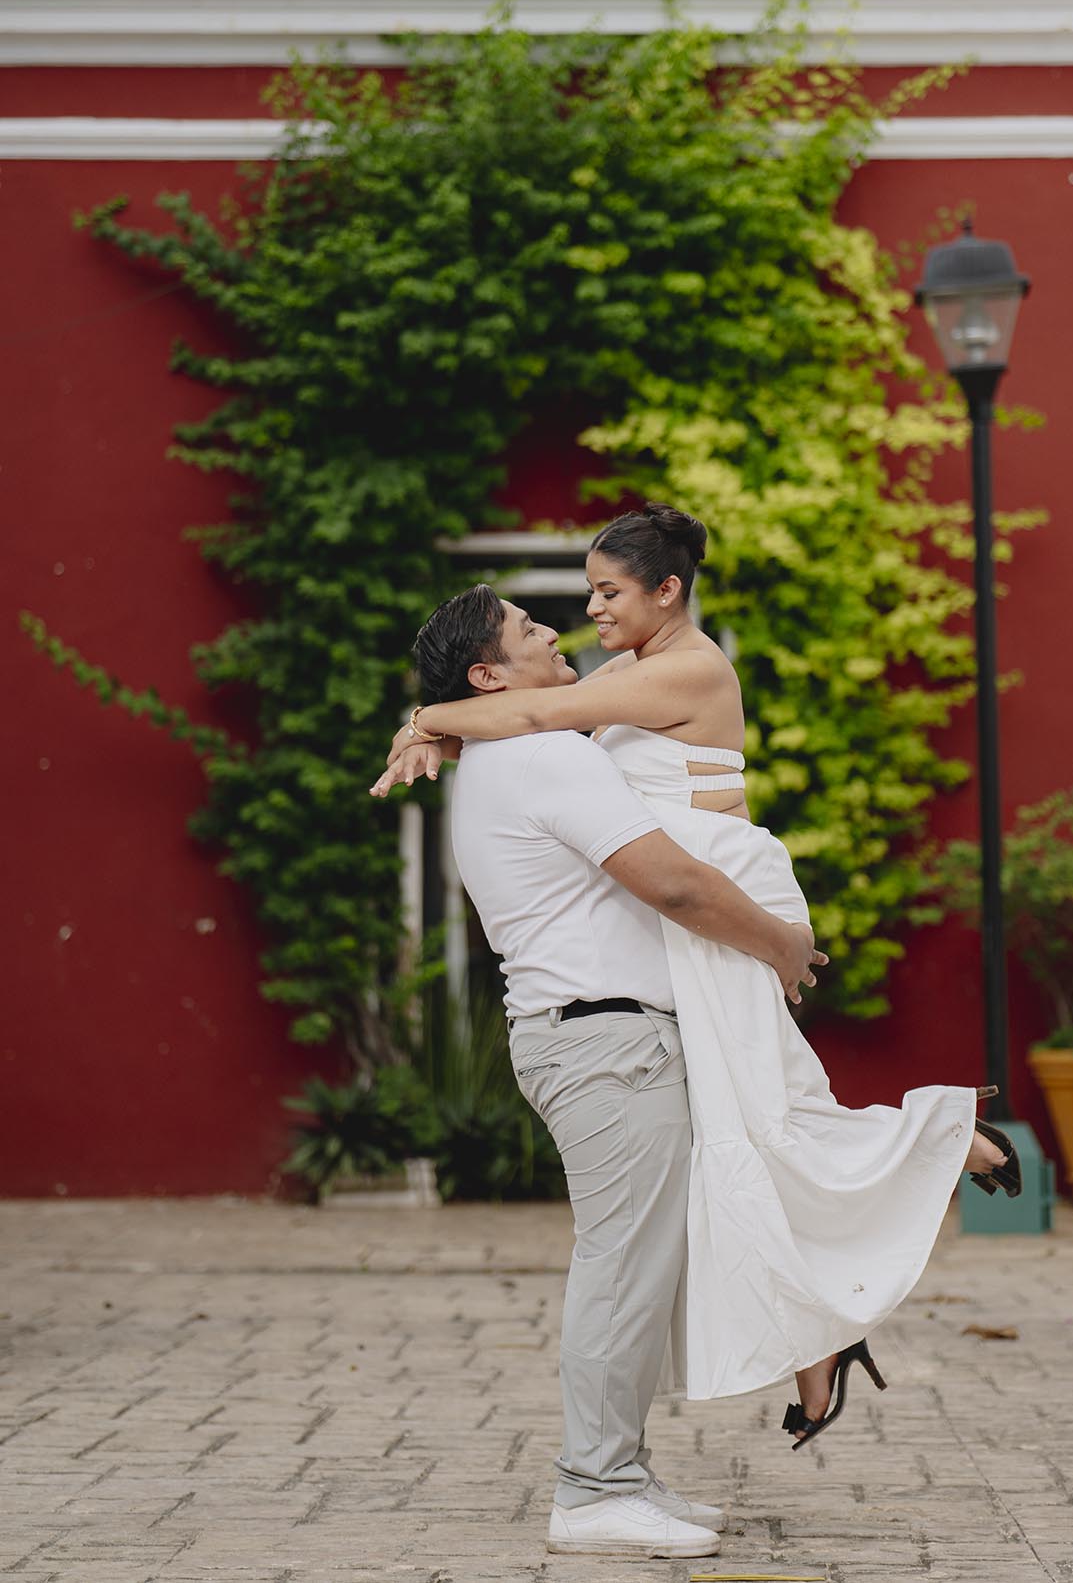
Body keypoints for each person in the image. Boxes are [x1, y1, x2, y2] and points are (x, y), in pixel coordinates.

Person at [374, 505, 1015, 1444]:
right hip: (697, 904)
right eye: (587, 592)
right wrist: (436, 730)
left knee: (758, 1113)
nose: (590, 610)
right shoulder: (630, 669)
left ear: (668, 590)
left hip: (723, 894)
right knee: (744, 1114)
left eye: (608, 591)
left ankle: (945, 1140)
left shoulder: (690, 667)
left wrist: (424, 718)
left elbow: (537, 713)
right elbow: (524, 723)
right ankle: (821, 1337)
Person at [385, 581, 829, 1560]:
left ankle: (618, 1472)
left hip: (594, 1040)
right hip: (604, 1043)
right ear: (489, 675)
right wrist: (781, 946)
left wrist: (422, 726)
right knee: (621, 1266)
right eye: (527, 627)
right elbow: (672, 882)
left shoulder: (511, 754)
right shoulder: (543, 754)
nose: (555, 629)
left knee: (634, 1264)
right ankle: (593, 1489)